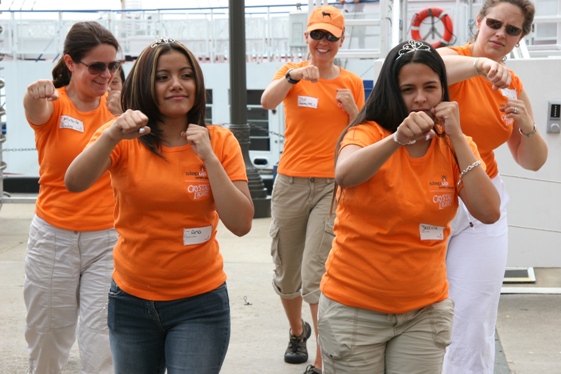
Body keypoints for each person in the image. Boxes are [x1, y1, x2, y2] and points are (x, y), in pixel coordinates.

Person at [64, 38, 254, 374]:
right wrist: (111, 135)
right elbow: (74, 182)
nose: (177, 85)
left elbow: (240, 223)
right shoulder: (124, 138)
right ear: (145, 85)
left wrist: (208, 157)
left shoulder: (220, 142)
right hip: (130, 302)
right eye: (163, 77)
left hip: (200, 304)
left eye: (185, 75)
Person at [317, 39, 501, 373]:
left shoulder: (456, 143)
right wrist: (397, 139)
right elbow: (345, 174)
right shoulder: (368, 132)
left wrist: (458, 138)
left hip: (424, 311)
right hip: (354, 308)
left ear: (444, 89)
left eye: (430, 87)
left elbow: (489, 212)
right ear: (392, 92)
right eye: (408, 89)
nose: (420, 98)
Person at [437, 1, 548, 372]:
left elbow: (532, 160)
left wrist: (527, 123)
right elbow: (431, 70)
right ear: (479, 22)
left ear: (521, 37)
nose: (501, 33)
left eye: (512, 30)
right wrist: (482, 65)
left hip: (483, 201)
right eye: (495, 24)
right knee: (416, 304)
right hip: (430, 193)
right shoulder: (451, 58)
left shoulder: (511, 84)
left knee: (475, 311)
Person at [261, 5, 364, 374]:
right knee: (286, 271)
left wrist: (353, 108)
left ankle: (322, 360)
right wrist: (291, 78)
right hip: (290, 181)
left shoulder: (350, 82)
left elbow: (363, 133)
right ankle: (296, 331)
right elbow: (267, 101)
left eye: (330, 37)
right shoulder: (291, 75)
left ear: (340, 41)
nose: (323, 42)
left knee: (315, 273)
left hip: (330, 185)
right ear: (306, 37)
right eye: (317, 35)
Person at [22, 21, 120, 374]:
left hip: (108, 240)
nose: (106, 74)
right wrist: (33, 93)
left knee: (103, 341)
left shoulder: (119, 110)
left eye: (113, 65)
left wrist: (123, 113)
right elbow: (36, 112)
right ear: (70, 63)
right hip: (54, 239)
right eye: (97, 66)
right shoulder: (55, 104)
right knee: (47, 336)